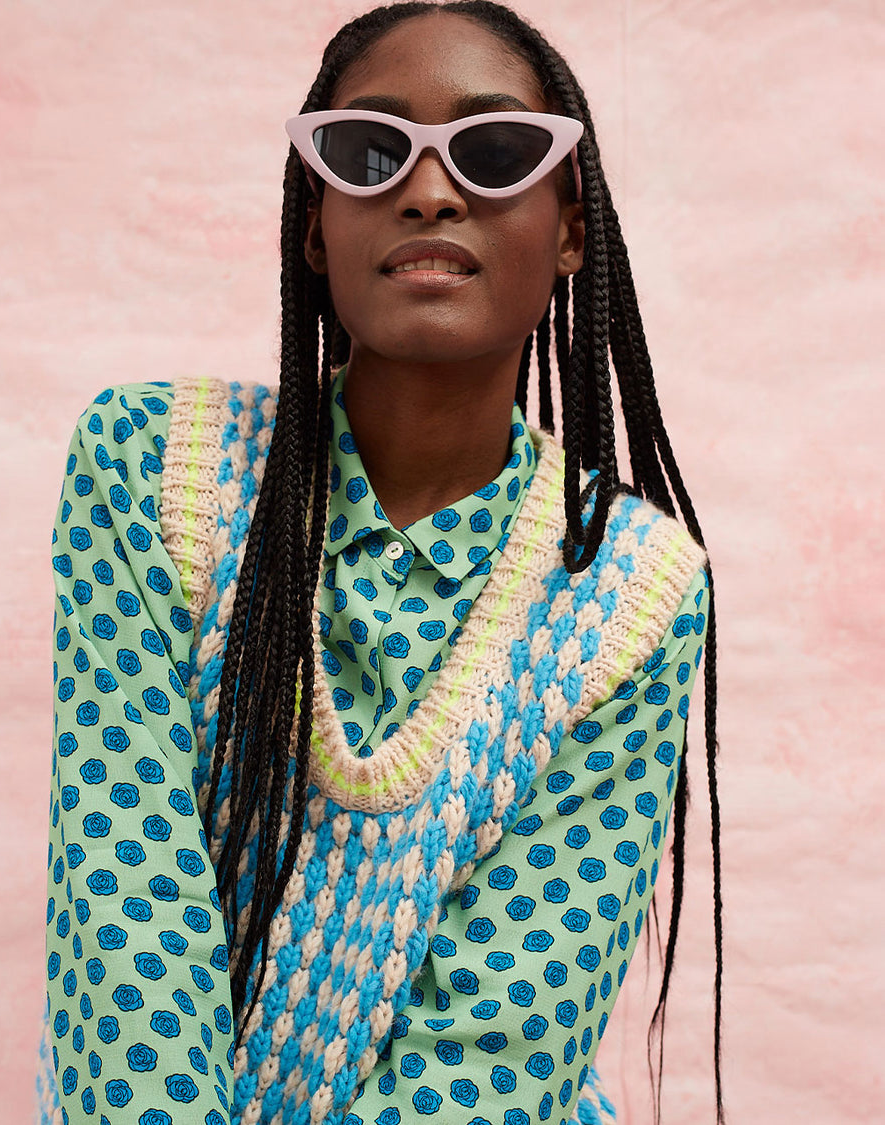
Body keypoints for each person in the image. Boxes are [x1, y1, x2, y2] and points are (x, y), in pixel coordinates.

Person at [37, 2, 723, 1123]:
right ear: (315, 224)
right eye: (370, 150)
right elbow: (127, 925)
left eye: (499, 152)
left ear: (570, 230)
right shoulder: (156, 474)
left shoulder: (634, 591)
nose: (433, 189)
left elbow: (496, 1056)